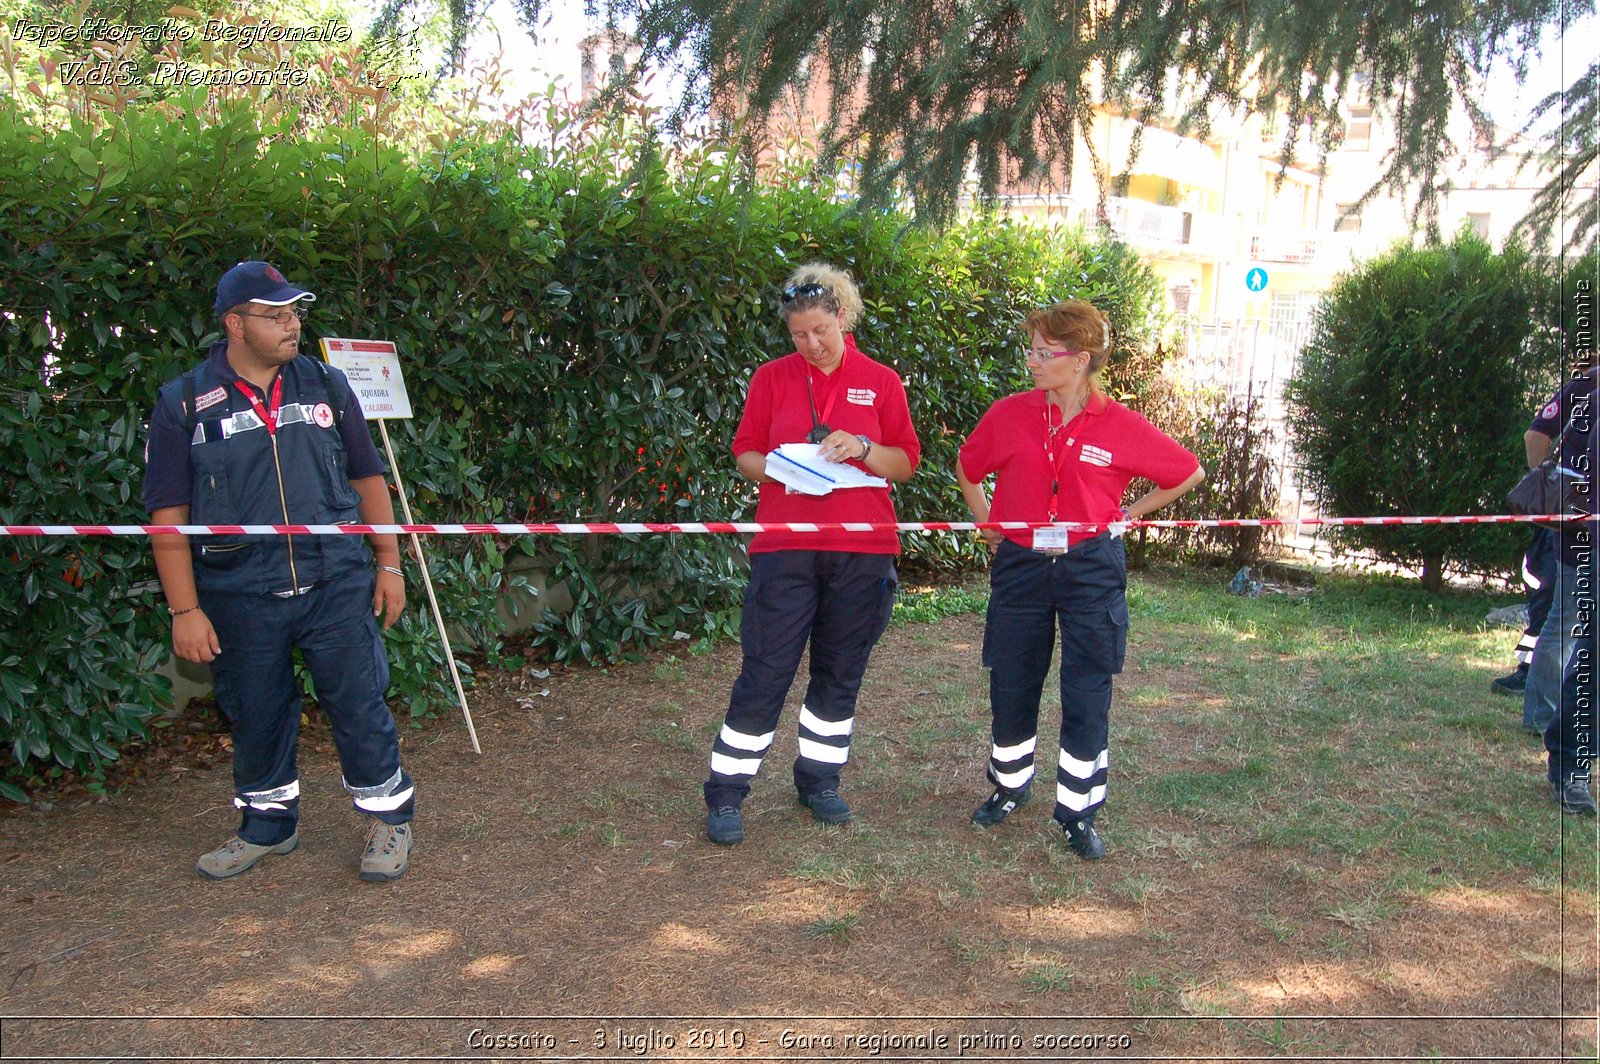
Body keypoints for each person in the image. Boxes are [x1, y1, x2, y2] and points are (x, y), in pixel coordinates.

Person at [144, 261, 417, 880]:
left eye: (294, 311)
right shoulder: (183, 402)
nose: (292, 324)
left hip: (336, 581)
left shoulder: (325, 384)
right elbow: (168, 516)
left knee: (358, 703)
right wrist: (185, 611)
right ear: (235, 324)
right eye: (275, 314)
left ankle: (389, 823)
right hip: (240, 593)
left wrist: (389, 562)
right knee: (257, 712)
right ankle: (267, 828)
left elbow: (367, 477)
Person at [957, 299, 1203, 860]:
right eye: (1032, 350)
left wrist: (1128, 515)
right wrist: (986, 519)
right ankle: (1009, 785)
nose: (1033, 361)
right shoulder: (1011, 413)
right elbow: (968, 468)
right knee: (1013, 678)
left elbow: (1187, 472)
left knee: (1087, 686)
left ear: (1081, 359)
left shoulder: (1119, 424)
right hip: (1021, 564)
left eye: (1046, 352)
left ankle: (1078, 808)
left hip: (1090, 566)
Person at [702, 263, 921, 845]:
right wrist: (779, 468)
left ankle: (820, 780)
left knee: (840, 671)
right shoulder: (771, 378)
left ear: (842, 317)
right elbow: (744, 451)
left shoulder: (881, 381)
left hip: (863, 550)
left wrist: (864, 446)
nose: (811, 344)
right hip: (787, 544)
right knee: (766, 668)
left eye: (820, 330)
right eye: (799, 335)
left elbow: (905, 463)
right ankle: (726, 792)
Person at [1520, 368, 1599, 814]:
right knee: (1570, 628)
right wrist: (1550, 495)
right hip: (1584, 540)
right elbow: (1537, 436)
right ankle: (1566, 756)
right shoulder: (1587, 387)